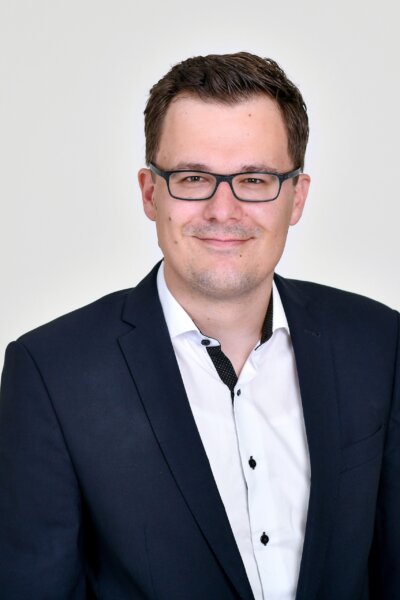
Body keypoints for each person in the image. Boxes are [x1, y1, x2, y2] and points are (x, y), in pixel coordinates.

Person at [0, 52, 398, 600]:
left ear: (297, 197)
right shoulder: (51, 373)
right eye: (193, 178)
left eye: (255, 179)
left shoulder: (381, 344)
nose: (222, 210)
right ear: (150, 193)